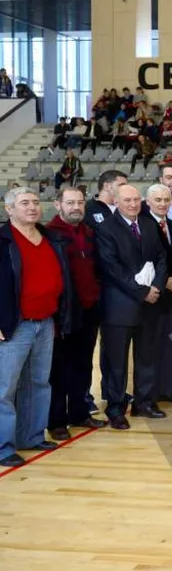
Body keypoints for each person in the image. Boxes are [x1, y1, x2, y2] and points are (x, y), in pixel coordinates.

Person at [0, 188, 73, 467]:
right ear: (9, 209)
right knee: (5, 389)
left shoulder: (50, 238)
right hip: (14, 325)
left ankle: (31, 436)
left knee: (38, 382)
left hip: (45, 322)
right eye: (24, 203)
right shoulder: (3, 240)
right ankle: (3, 447)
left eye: (35, 202)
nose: (32, 207)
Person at [94, 185, 168, 429]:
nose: (133, 204)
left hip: (150, 305)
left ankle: (144, 403)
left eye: (137, 199)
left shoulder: (148, 224)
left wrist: (156, 287)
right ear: (116, 201)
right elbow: (111, 268)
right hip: (119, 306)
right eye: (127, 200)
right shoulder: (105, 229)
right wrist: (142, 291)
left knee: (147, 357)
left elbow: (161, 258)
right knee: (116, 362)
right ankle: (116, 409)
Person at [45, 187, 107, 441]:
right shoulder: (50, 234)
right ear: (58, 204)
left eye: (80, 203)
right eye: (70, 203)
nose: (76, 207)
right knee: (60, 369)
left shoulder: (89, 232)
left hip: (89, 309)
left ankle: (80, 413)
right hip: (65, 312)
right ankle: (57, 420)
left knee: (83, 365)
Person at [142, 185, 172, 406]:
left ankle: (167, 389)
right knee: (151, 346)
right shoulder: (142, 225)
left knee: (170, 343)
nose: (162, 204)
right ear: (148, 202)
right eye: (158, 200)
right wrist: (165, 281)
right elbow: (144, 260)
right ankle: (150, 394)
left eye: (166, 200)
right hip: (152, 293)